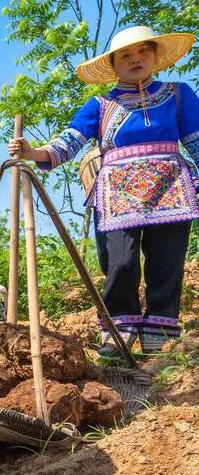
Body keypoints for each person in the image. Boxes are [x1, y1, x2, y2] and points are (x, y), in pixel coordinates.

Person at [10, 25, 198, 356]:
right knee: (119, 261)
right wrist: (32, 152)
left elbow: (197, 141)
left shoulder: (179, 95)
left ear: (155, 56)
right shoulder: (99, 105)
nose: (135, 59)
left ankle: (159, 333)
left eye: (143, 52)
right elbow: (67, 144)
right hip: (117, 195)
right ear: (113, 65)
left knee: (166, 261)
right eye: (125, 55)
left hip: (172, 190)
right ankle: (118, 331)